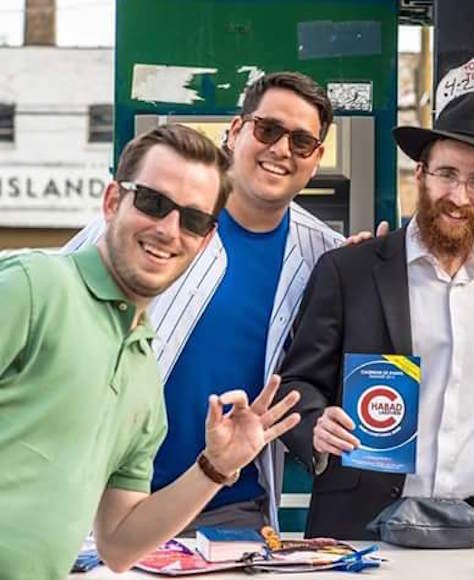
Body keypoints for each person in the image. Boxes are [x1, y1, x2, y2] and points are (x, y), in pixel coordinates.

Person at [66, 72, 381, 531]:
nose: (280, 150)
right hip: (99, 494)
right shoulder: (149, 216)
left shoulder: (328, 257)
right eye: (267, 129)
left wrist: (378, 268)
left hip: (228, 506)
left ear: (316, 161)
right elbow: (49, 308)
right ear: (235, 131)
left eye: (301, 142)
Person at [0, 124, 301, 579]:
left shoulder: (144, 370)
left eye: (193, 219)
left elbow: (119, 544)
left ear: (204, 240)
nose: (168, 229)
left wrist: (215, 468)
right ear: (111, 202)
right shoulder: (33, 286)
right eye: (153, 202)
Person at [275, 92, 474, 540]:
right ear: (420, 174)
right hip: (365, 525)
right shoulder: (350, 270)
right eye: (447, 174)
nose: (458, 196)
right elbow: (297, 384)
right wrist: (315, 424)